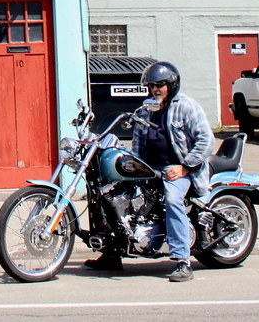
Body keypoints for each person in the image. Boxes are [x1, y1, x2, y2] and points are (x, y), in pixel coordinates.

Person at [85, 60, 213, 282]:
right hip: (150, 169)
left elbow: (206, 140)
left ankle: (183, 261)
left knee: (173, 200)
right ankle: (112, 254)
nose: (155, 89)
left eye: (160, 85)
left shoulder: (186, 106)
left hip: (178, 170)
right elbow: (137, 144)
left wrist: (185, 167)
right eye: (152, 86)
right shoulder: (145, 110)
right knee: (110, 194)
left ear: (171, 85)